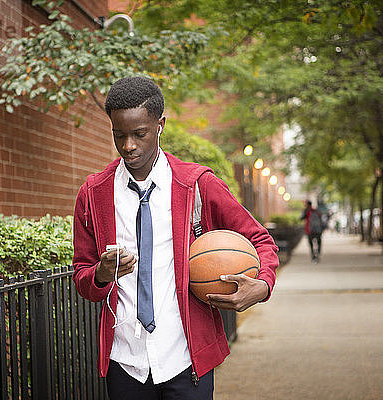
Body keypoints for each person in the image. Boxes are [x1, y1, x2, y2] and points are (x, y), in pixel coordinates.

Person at [72, 76, 279, 400]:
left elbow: (260, 239)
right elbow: (82, 277)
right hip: (125, 361)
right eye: (119, 135)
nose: (128, 145)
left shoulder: (198, 184)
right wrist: (100, 274)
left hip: (185, 358)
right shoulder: (94, 194)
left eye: (139, 134)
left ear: (160, 125)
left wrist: (263, 284)